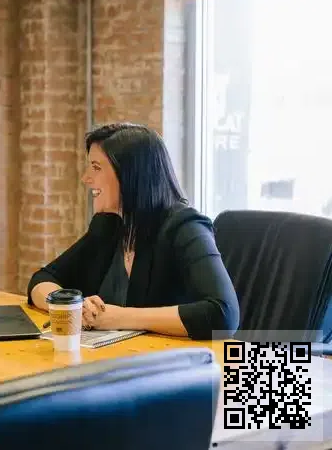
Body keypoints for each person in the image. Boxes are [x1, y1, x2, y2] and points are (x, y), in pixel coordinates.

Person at [27, 122, 240, 340]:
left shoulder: (186, 227)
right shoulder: (109, 225)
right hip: (120, 355)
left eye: (96, 168)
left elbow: (223, 314)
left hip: (176, 358)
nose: (86, 178)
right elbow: (43, 278)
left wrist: (117, 318)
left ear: (130, 175)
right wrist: (70, 307)